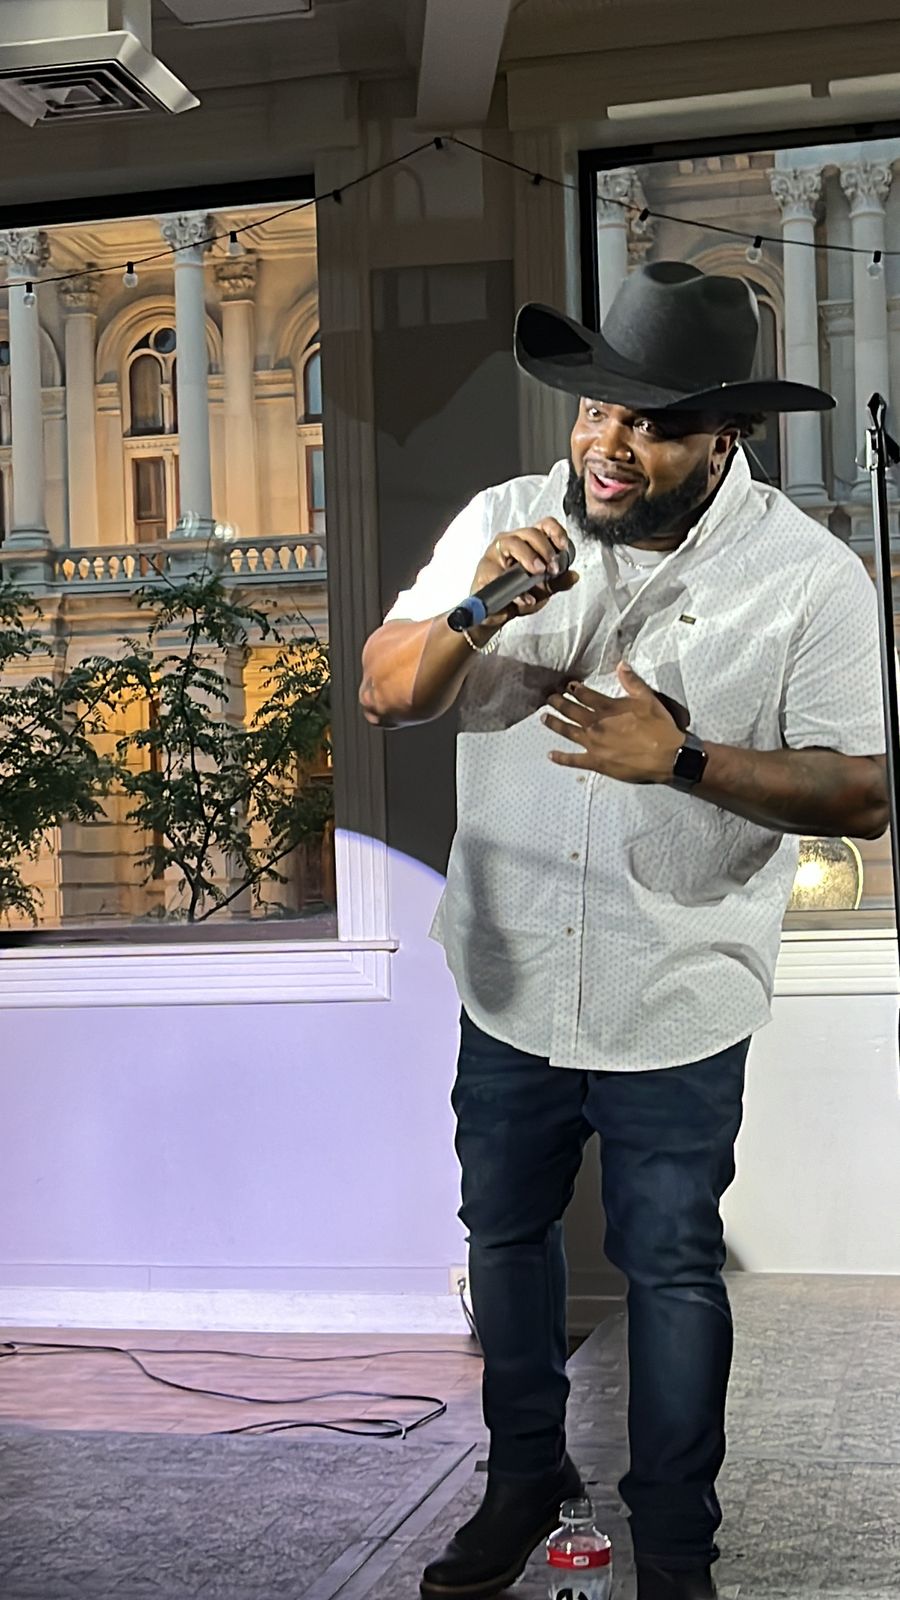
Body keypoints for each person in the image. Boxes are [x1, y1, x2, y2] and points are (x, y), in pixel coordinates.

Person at [358, 261, 888, 1600]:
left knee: (672, 1270)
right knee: (504, 1239)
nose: (609, 441)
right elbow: (385, 691)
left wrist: (686, 760)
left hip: (676, 981)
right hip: (512, 970)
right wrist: (479, 609)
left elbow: (862, 793)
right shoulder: (507, 520)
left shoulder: (808, 576)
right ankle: (524, 1480)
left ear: (726, 435)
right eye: (598, 408)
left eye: (652, 423)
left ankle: (677, 1550)